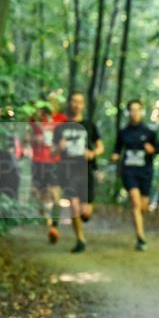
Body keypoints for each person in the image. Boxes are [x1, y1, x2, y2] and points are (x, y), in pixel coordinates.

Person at [53, 92, 103, 253]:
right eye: (74, 101)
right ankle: (80, 239)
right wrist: (59, 147)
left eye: (80, 102)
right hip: (68, 170)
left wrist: (93, 153)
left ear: (83, 105)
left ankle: (84, 218)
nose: (76, 104)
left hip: (86, 171)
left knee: (85, 213)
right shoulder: (61, 127)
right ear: (69, 103)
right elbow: (53, 151)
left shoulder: (89, 125)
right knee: (73, 205)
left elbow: (101, 147)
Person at [111, 99, 159, 250]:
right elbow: (117, 150)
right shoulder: (123, 132)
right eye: (132, 110)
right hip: (129, 171)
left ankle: (139, 226)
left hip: (145, 172)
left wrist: (152, 149)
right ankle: (141, 238)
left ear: (141, 111)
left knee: (143, 206)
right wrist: (114, 156)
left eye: (137, 110)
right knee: (135, 202)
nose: (135, 113)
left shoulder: (149, 132)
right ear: (128, 112)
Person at [27, 100, 66, 243]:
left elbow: (66, 137)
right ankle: (46, 217)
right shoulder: (35, 119)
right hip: (38, 161)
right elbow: (26, 138)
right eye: (49, 103)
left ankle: (54, 227)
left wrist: (63, 144)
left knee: (56, 193)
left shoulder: (61, 119)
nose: (51, 105)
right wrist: (35, 138)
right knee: (39, 195)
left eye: (54, 102)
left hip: (54, 162)